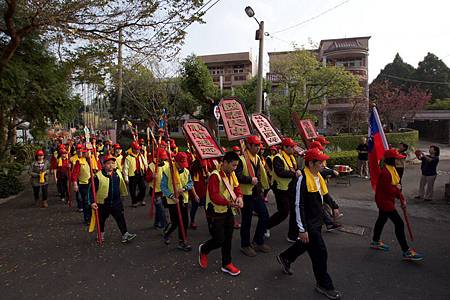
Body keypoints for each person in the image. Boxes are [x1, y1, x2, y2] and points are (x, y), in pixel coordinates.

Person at [276, 148, 341, 300]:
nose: (323, 165)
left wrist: (334, 205)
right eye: (320, 162)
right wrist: (302, 229)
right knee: (320, 253)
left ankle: (286, 257)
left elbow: (324, 194)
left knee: (305, 245)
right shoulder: (302, 179)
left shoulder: (317, 175)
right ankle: (324, 285)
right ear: (311, 163)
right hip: (309, 225)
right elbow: (298, 206)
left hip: (317, 221)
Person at [371, 149, 424, 261]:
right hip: (384, 201)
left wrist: (401, 197)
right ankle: (406, 251)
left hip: (386, 200)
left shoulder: (391, 169)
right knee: (399, 224)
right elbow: (390, 189)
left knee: (382, 220)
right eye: (397, 159)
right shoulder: (386, 172)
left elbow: (394, 188)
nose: (400, 160)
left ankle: (375, 241)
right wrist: (399, 193)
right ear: (392, 160)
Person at [198, 151, 244, 276]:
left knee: (228, 238)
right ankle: (204, 249)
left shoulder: (231, 173)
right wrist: (229, 203)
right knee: (219, 239)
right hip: (215, 212)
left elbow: (236, 187)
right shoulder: (215, 175)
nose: (235, 168)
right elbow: (214, 196)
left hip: (227, 210)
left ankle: (226, 263)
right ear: (224, 163)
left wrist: (239, 197)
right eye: (233, 165)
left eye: (236, 165)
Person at [235, 135, 271, 257]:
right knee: (247, 220)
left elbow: (261, 174)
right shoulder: (241, 159)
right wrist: (250, 180)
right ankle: (245, 245)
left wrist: (266, 186)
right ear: (248, 145)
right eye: (255, 145)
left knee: (264, 216)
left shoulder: (257, 158)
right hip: (246, 194)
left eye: (258, 145)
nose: (257, 147)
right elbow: (237, 177)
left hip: (256, 193)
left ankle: (257, 241)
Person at [91, 154, 136, 243]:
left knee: (120, 217)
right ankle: (101, 234)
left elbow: (122, 184)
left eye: (113, 163)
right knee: (101, 219)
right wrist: (92, 202)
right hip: (103, 202)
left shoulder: (117, 173)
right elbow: (91, 190)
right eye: (108, 163)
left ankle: (125, 234)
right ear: (104, 165)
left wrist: (123, 195)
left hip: (116, 201)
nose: (111, 165)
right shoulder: (98, 176)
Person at [161, 152, 198, 251]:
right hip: (173, 201)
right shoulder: (168, 171)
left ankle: (182, 242)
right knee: (175, 222)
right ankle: (167, 234)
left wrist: (184, 188)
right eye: (181, 163)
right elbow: (163, 187)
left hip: (183, 200)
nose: (182, 166)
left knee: (185, 221)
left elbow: (191, 183)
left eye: (184, 164)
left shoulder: (186, 171)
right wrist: (172, 196)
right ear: (176, 162)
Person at [266, 138, 301, 241]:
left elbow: (296, 169)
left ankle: (292, 236)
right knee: (283, 212)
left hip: (291, 188)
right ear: (285, 147)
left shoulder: (292, 157)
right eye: (292, 147)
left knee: (294, 211)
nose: (294, 148)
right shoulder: (278, 158)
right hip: (280, 189)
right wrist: (294, 173)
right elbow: (279, 172)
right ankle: (266, 225)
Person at [146, 147, 169, 229]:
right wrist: (151, 176)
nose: (163, 160)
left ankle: (156, 223)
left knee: (160, 208)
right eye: (161, 158)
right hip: (155, 192)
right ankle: (165, 226)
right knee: (160, 209)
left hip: (165, 190)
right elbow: (147, 179)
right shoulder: (151, 166)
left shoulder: (167, 164)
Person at [123, 141, 148, 207]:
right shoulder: (128, 158)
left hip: (140, 174)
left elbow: (145, 163)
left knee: (143, 187)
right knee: (132, 189)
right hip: (132, 175)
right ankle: (134, 202)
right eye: (136, 149)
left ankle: (140, 199)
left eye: (138, 149)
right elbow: (125, 168)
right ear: (133, 149)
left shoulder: (141, 155)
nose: (138, 150)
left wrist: (147, 170)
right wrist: (126, 178)